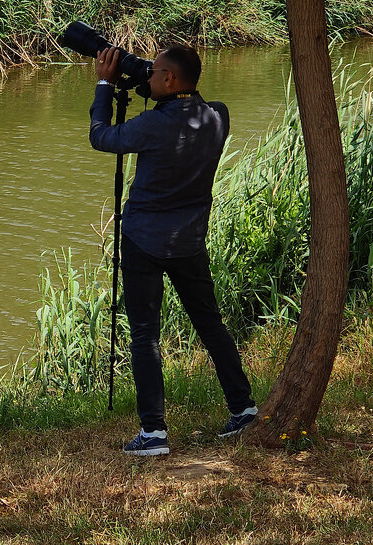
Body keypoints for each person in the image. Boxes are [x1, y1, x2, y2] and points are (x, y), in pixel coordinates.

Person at [90, 46, 258, 456]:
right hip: (189, 242)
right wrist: (158, 87)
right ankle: (243, 407)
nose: (148, 76)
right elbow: (183, 107)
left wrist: (104, 85)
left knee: (145, 335)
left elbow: (101, 136)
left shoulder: (150, 126)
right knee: (210, 324)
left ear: (169, 80)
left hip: (144, 241)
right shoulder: (217, 115)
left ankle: (153, 433)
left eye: (156, 72)